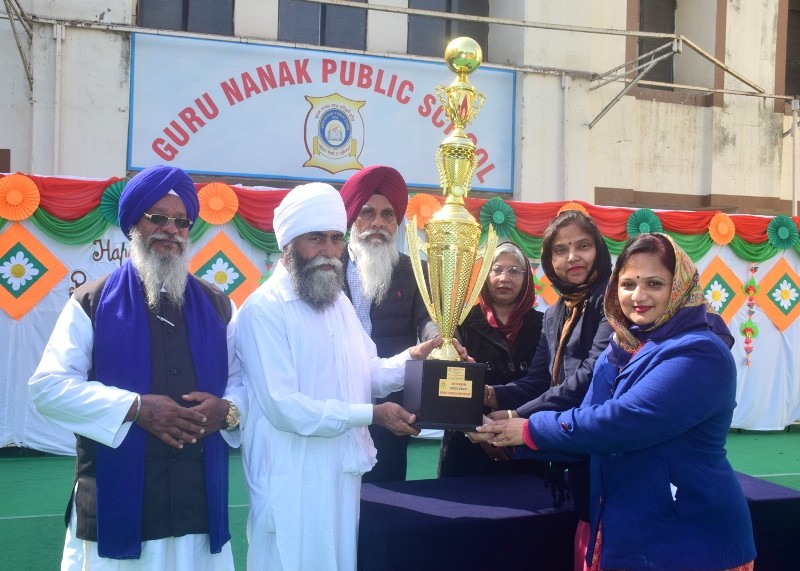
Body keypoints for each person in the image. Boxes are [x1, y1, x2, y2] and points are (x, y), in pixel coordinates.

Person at [476, 233, 756, 571]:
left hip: (692, 542)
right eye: (628, 284)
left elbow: (623, 421)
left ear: (680, 287)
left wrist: (529, 429)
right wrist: (505, 436)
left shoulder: (700, 352)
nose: (638, 296)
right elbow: (587, 426)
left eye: (654, 283)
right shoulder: (620, 347)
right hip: (626, 535)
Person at [28, 165, 246, 570]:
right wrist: (136, 408)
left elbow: (242, 382)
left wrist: (228, 411)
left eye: (181, 222)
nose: (171, 230)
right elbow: (48, 388)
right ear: (133, 225)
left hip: (196, 503)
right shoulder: (91, 302)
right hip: (116, 502)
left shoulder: (220, 306)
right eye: (157, 217)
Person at [236, 182, 461, 571]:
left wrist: (414, 358)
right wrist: (371, 415)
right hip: (291, 476)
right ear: (288, 244)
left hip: (339, 473)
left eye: (335, 239)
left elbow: (367, 372)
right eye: (315, 239)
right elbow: (284, 408)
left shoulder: (336, 303)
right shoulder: (263, 310)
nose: (328, 250)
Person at [484, 210, 612, 569]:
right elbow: (539, 380)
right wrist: (489, 395)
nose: (572, 257)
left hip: (606, 447)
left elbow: (589, 377)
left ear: (598, 250)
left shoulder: (612, 300)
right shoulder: (556, 312)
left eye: (582, 246)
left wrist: (515, 417)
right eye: (560, 250)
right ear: (549, 260)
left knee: (603, 541)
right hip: (570, 445)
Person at [339, 165, 439, 482]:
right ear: (351, 218)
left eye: (387, 214)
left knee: (384, 499)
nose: (378, 223)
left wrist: (441, 341)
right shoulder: (327, 269)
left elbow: (428, 320)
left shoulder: (416, 271)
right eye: (367, 212)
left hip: (390, 410)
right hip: (334, 407)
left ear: (397, 222)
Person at [438, 240, 543, 476]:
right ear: (485, 275)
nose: (505, 278)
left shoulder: (544, 324)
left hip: (527, 441)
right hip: (468, 445)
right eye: (497, 270)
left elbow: (547, 384)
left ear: (527, 278)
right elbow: (449, 385)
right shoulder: (461, 322)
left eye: (514, 271)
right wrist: (482, 431)